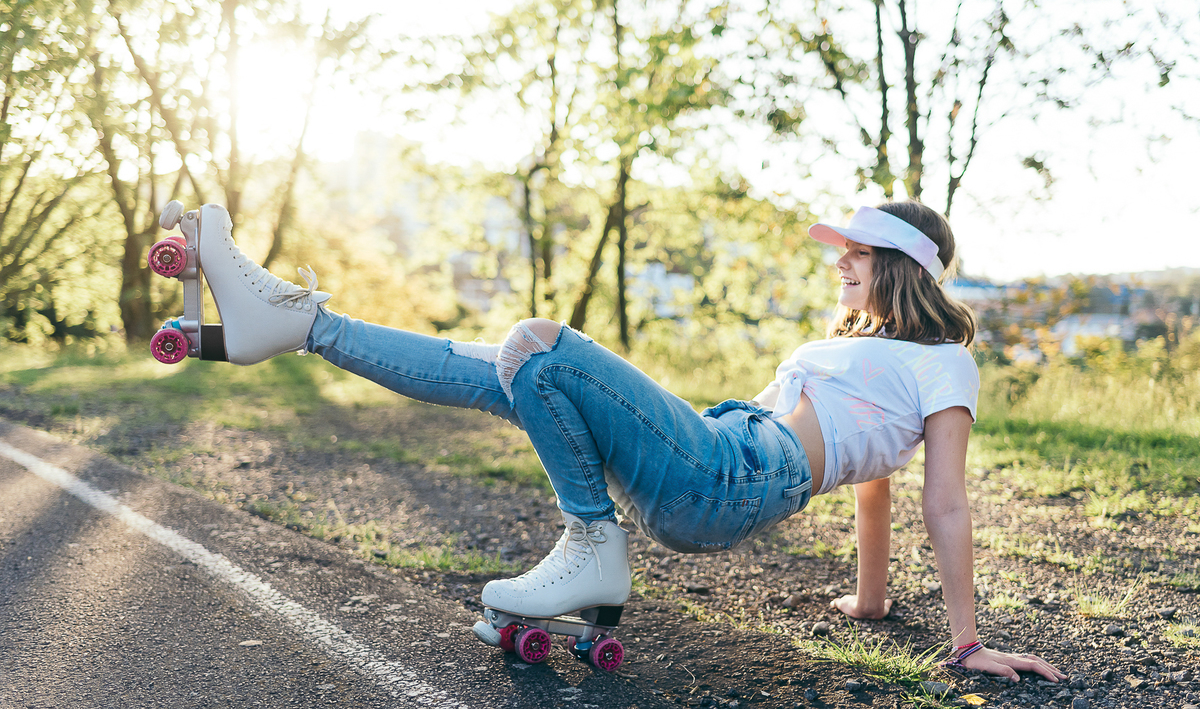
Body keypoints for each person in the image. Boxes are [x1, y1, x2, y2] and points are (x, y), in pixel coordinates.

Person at [185, 199, 1064, 683]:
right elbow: (870, 483)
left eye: (858, 252)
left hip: (731, 475)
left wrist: (965, 640)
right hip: (715, 456)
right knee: (505, 368)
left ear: (902, 263)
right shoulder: (868, 351)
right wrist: (869, 602)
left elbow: (937, 497)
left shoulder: (944, 364)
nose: (840, 263)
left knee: (540, 344)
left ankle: (591, 541)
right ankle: (304, 328)